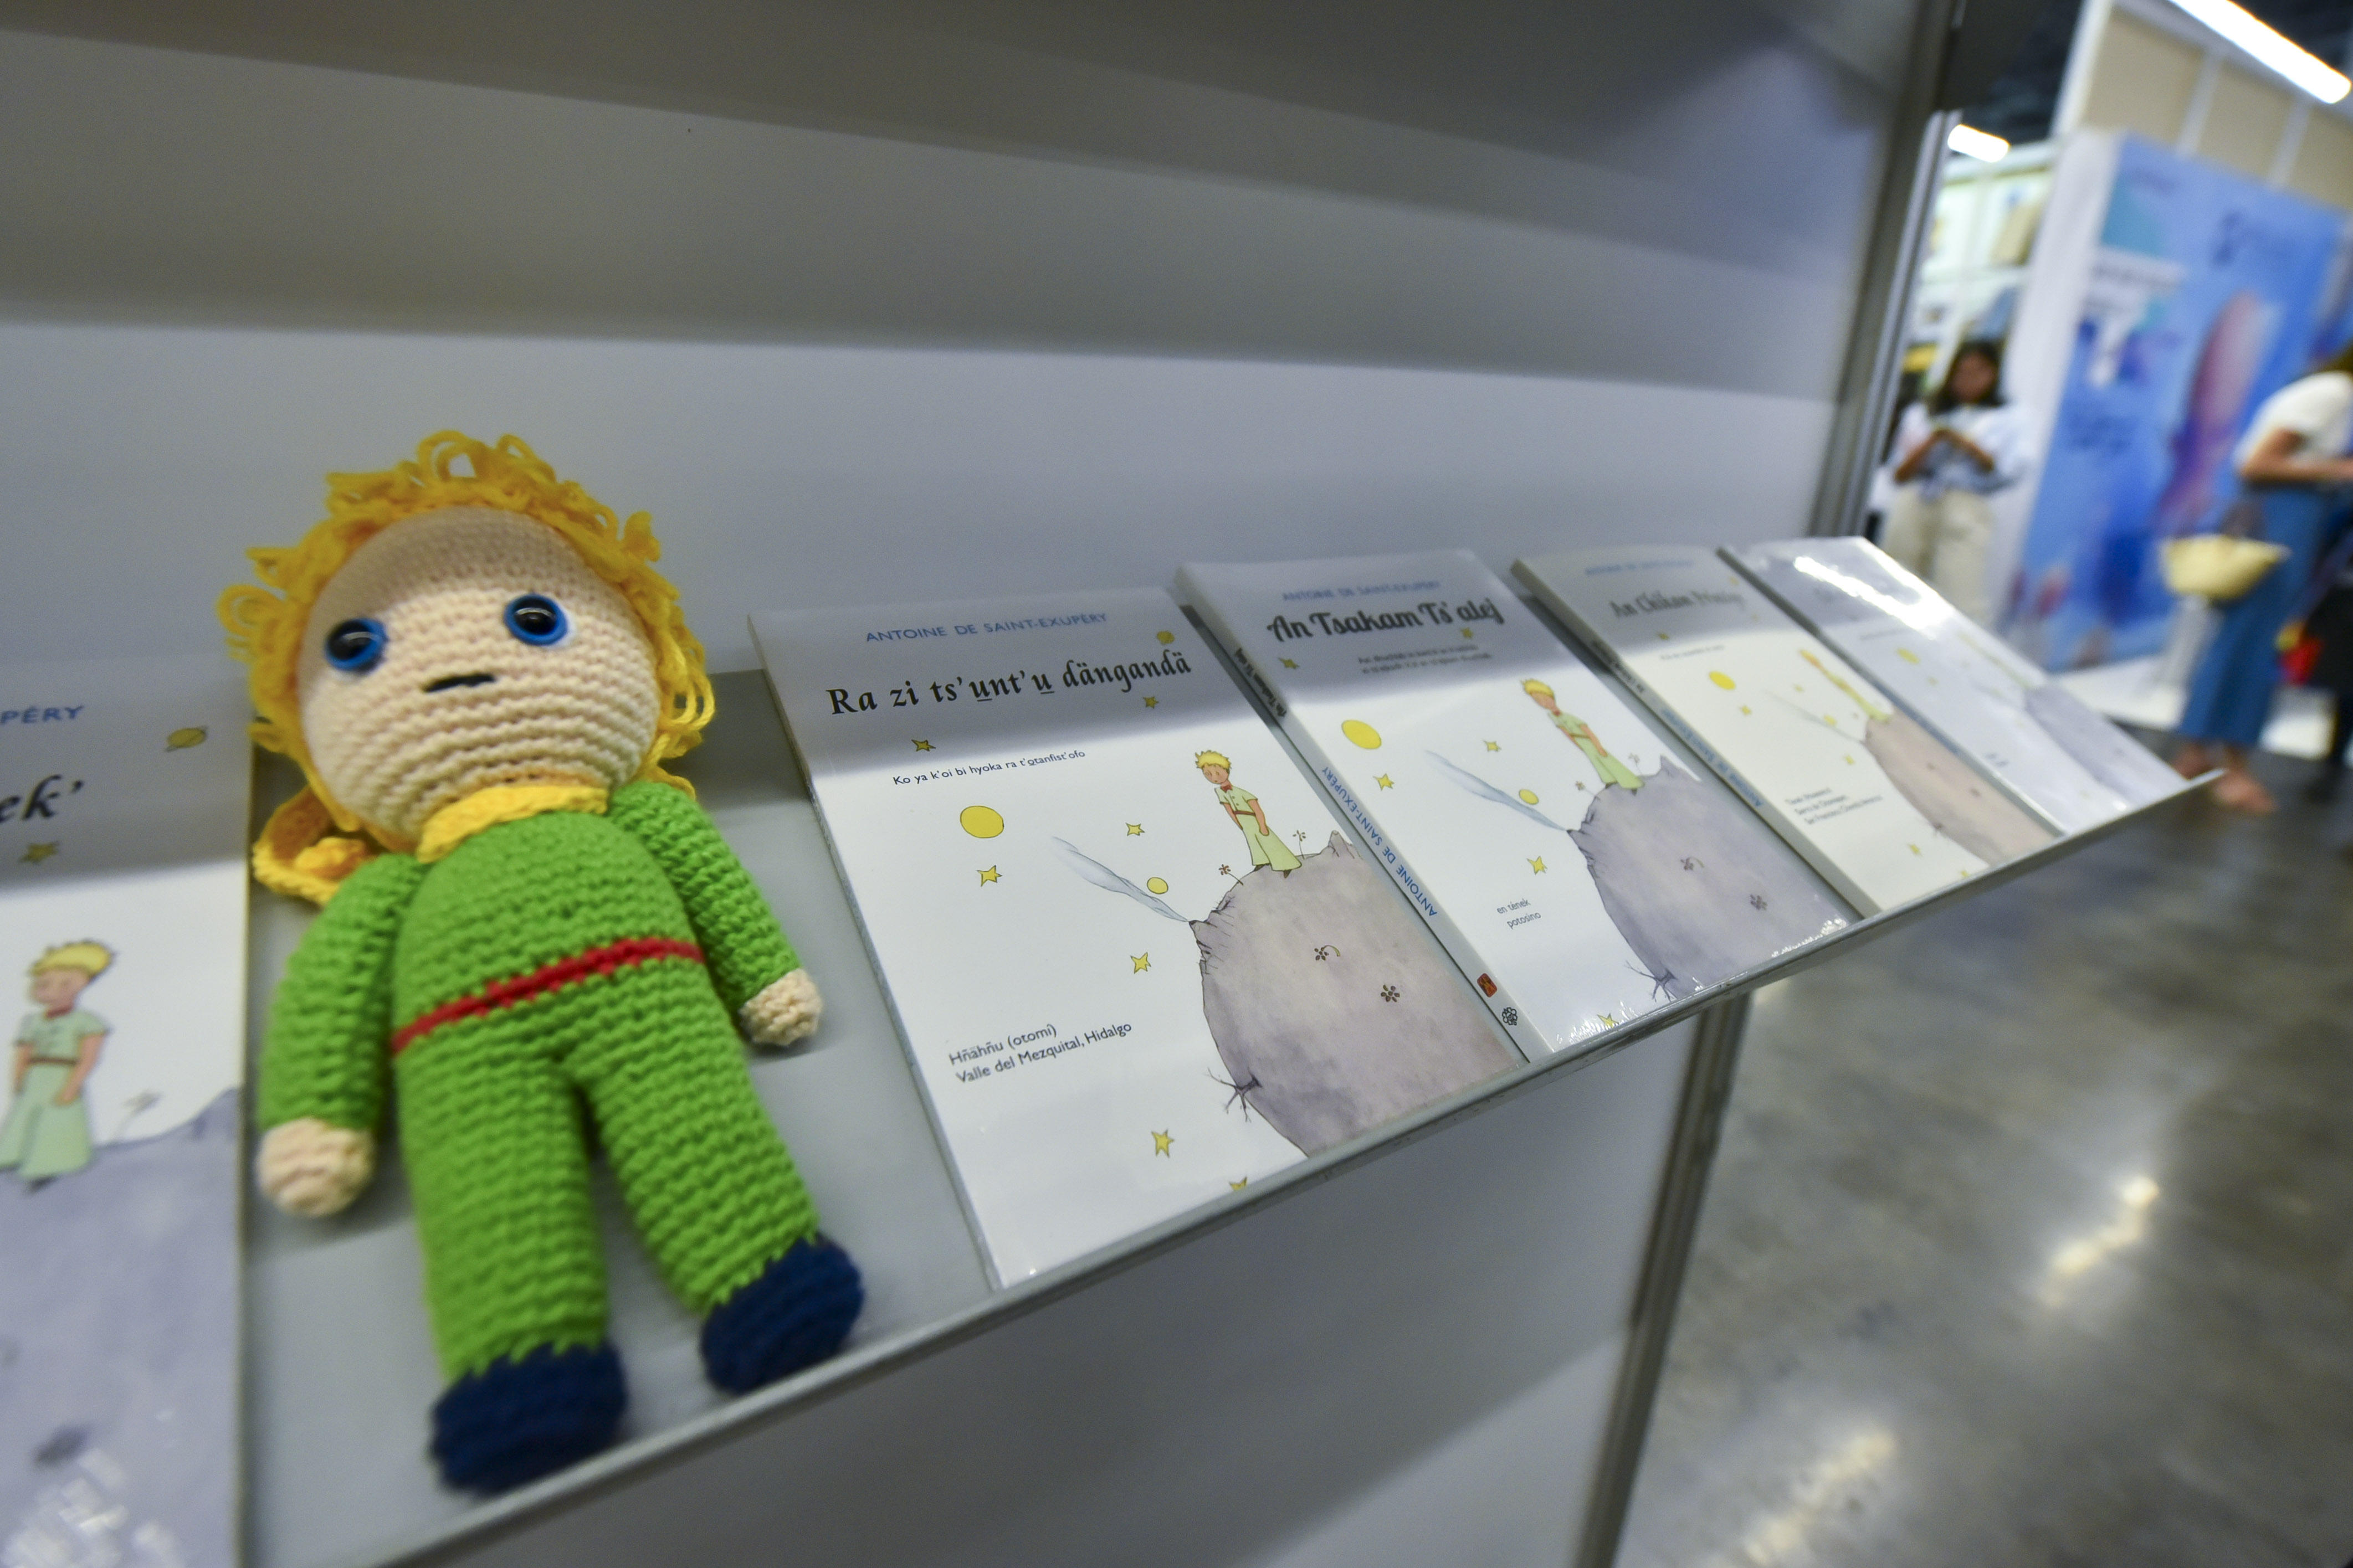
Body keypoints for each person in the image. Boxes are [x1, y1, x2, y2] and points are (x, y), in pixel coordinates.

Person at [2174, 347, 2353, 813]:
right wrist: (2338, 469)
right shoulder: (2333, 393)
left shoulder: (2329, 393)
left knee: (2238, 644)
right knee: (2252, 648)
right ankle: (2230, 767)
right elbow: (2256, 463)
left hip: (2284, 522)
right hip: (2279, 524)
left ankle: (2198, 753)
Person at [1881, 340, 2037, 626]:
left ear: (1994, 376)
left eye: (1979, 372)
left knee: (1959, 596)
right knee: (1895, 584)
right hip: (1917, 499)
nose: (1970, 380)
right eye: (1963, 372)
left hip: (1966, 506)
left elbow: (2008, 471)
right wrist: (1934, 440)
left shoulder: (2009, 416)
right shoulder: (1925, 411)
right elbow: (1899, 473)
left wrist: (1965, 444)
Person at [1, 942, 114, 1185]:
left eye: (64, 983)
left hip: (63, 1077)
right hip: (35, 1077)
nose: (50, 990)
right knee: (24, 1117)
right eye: (43, 984)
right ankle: (12, 1158)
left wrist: (73, 1086)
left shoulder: (88, 1022)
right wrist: (18, 1079)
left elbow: (89, 1058)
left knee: (56, 1119)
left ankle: (49, 1167)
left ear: (80, 985)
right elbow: (23, 1052)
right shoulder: (32, 1021)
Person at [1196, 750, 1301, 873]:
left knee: (1268, 840)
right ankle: (1261, 862)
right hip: (1243, 821)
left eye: (1217, 773)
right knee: (1253, 842)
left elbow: (1257, 809)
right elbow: (1229, 810)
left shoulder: (1241, 792)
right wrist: (1239, 824)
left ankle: (1287, 864)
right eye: (1208, 774)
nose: (1214, 778)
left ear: (1226, 770)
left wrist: (1262, 825)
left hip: (1253, 818)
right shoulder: (1220, 792)